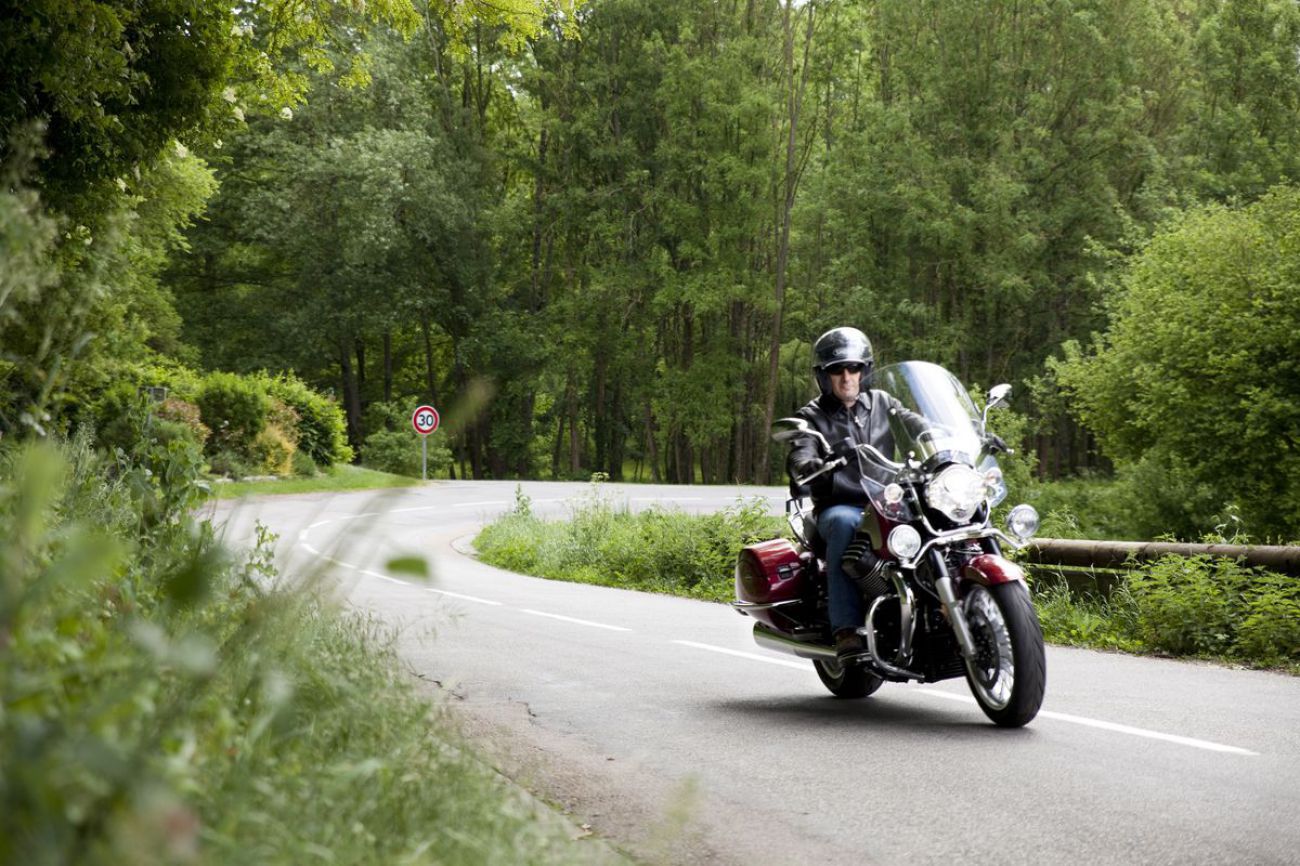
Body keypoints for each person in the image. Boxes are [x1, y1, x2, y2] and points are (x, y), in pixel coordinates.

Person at [785, 327, 900, 661]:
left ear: (865, 370)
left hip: (887, 499)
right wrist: (807, 466)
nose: (847, 376)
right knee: (845, 523)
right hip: (839, 505)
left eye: (854, 368)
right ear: (824, 376)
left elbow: (916, 425)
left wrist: (947, 438)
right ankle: (846, 628)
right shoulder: (810, 417)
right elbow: (800, 453)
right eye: (837, 369)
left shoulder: (883, 403)